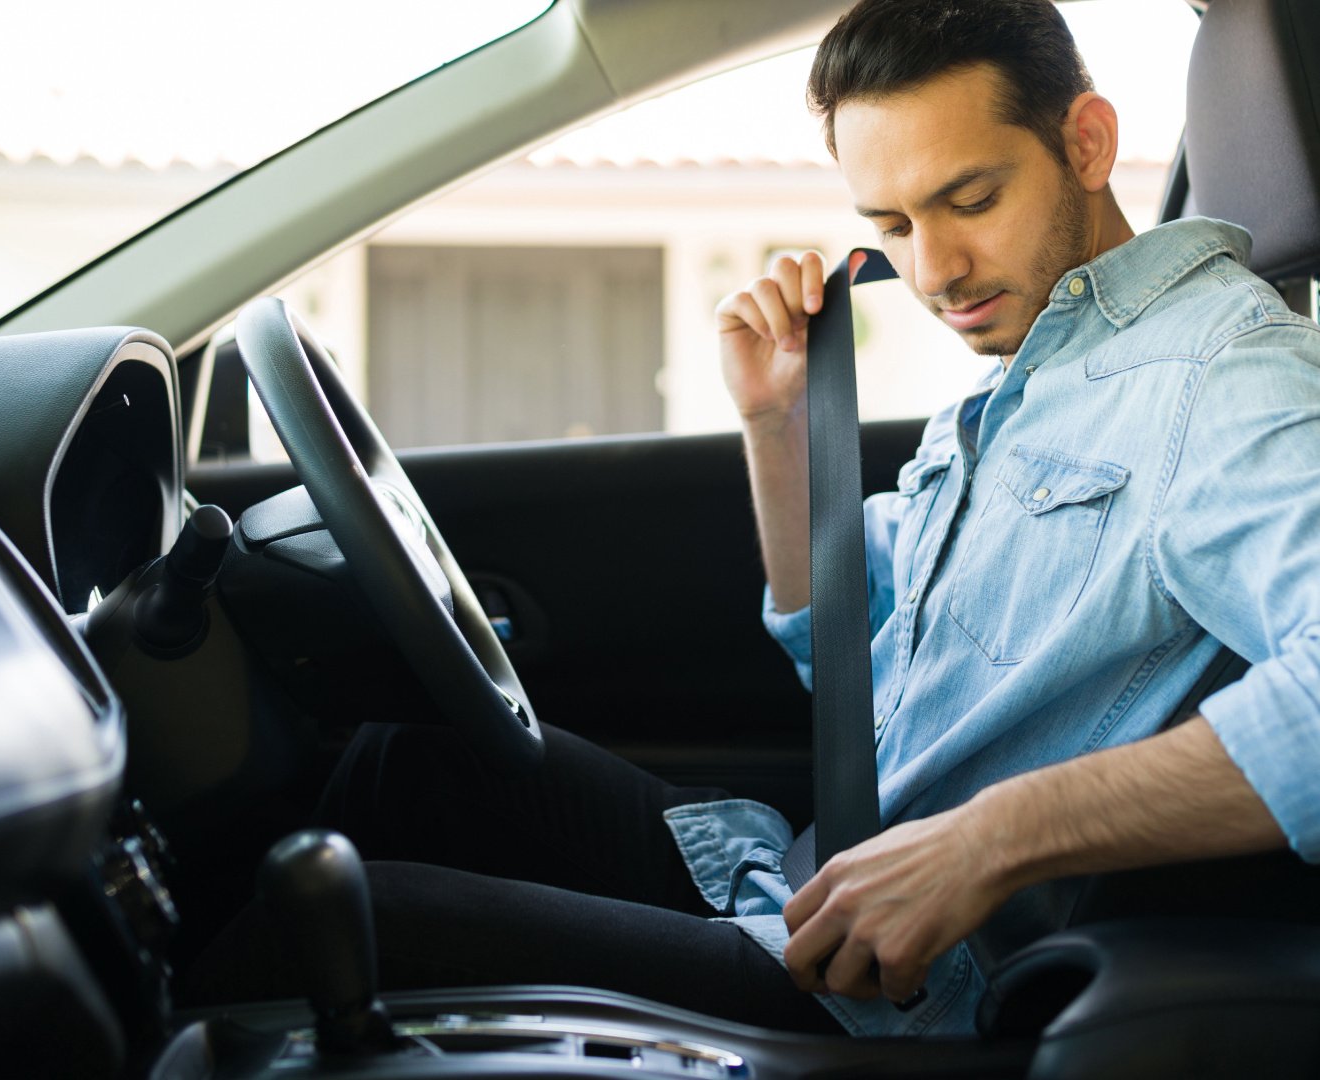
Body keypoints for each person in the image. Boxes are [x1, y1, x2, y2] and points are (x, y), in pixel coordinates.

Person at [190, 0, 1314, 1038]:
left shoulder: (1228, 380)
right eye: (892, 223)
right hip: (797, 873)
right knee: (399, 771)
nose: (936, 270)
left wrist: (992, 836)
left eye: (971, 200)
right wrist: (775, 426)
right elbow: (853, 678)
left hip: (883, 989)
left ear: (1086, 141)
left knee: (325, 921)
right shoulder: (1029, 377)